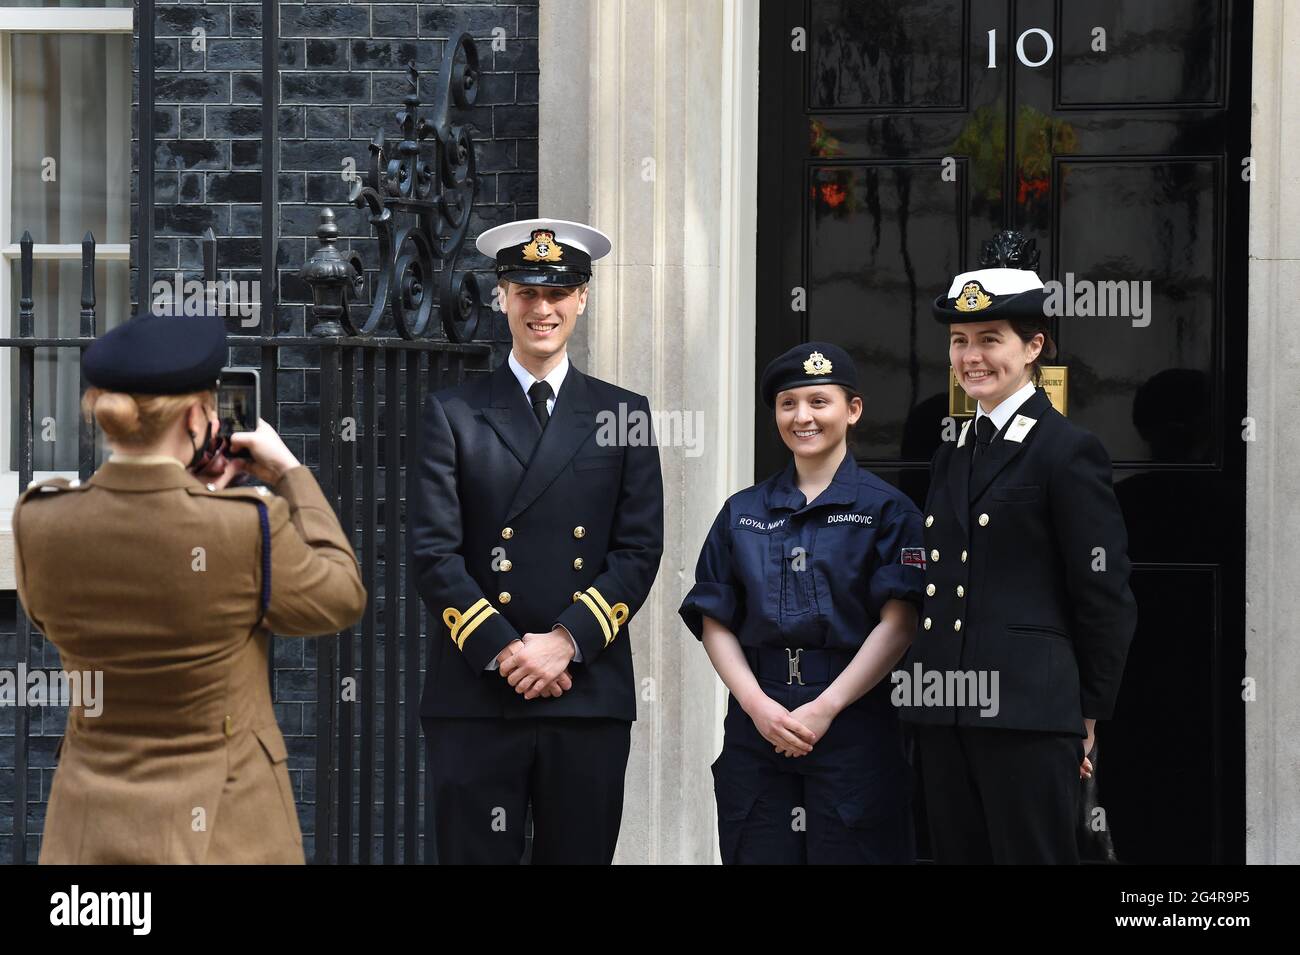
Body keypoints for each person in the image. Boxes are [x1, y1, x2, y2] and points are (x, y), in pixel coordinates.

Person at [12, 311, 367, 864]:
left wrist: (190, 502)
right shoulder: (247, 525)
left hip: (90, 829)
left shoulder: (39, 521)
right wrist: (290, 474)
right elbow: (341, 596)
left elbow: (51, 615)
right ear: (201, 414)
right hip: (225, 829)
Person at [411, 218, 664, 865]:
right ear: (502, 297)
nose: (541, 308)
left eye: (558, 293)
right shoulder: (453, 413)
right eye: (526, 292)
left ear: (581, 298)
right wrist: (506, 650)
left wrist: (563, 642)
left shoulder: (622, 413)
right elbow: (433, 553)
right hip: (476, 694)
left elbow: (638, 549)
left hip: (584, 692)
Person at [899, 231, 1137, 864]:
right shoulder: (953, 449)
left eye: (989, 339)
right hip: (944, 711)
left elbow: (1104, 592)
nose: (971, 356)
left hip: (1029, 714)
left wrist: (1086, 712)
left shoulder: (1066, 449)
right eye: (959, 341)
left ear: (1033, 347)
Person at [678, 341, 922, 864]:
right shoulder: (742, 511)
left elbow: (899, 623)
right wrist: (758, 706)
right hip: (757, 722)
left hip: (853, 723)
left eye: (819, 401)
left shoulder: (889, 511)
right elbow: (714, 617)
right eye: (788, 404)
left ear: (852, 410)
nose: (802, 416)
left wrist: (826, 707)